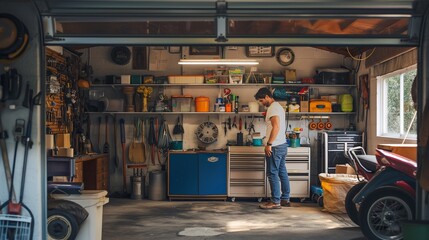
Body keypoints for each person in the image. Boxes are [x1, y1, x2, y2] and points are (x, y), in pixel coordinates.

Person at [254, 87, 290, 209]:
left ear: (267, 97)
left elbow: (276, 127)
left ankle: (275, 201)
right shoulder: (278, 107)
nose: (261, 103)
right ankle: (285, 198)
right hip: (282, 144)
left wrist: (269, 144)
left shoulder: (272, 108)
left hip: (275, 146)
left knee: (272, 173)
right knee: (282, 172)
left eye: (261, 100)